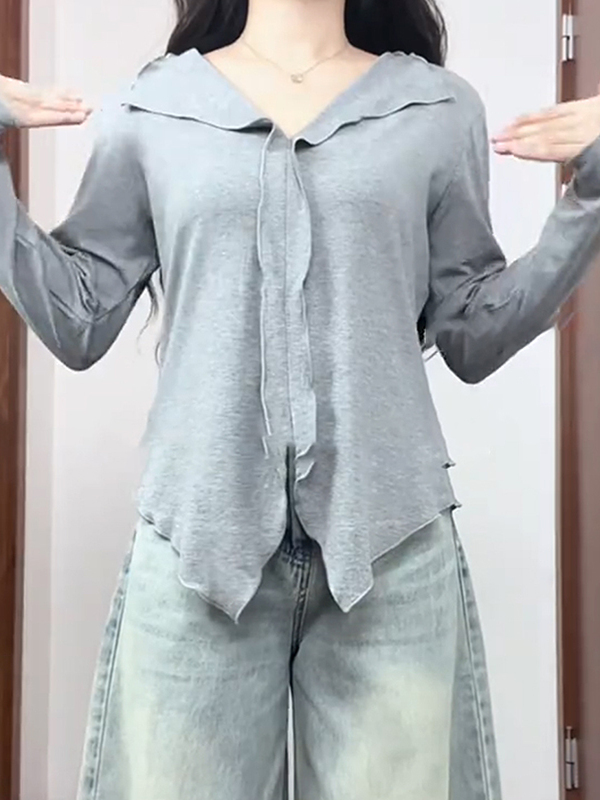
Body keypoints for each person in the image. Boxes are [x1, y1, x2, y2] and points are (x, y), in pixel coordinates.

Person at [1, 0, 600, 796]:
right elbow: (78, 319)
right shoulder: (151, 109)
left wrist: (590, 198)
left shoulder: (437, 109)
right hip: (195, 550)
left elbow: (473, 334)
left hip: (389, 546)